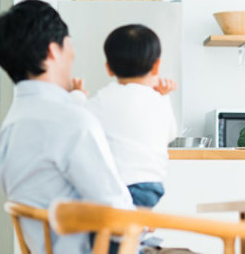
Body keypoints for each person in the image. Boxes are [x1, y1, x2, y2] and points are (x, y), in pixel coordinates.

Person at [0, 0, 133, 253]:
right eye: (69, 42)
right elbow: (119, 216)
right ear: (53, 50)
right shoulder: (72, 121)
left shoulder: (12, 125)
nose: (73, 52)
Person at [74, 24, 177, 208]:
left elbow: (78, 119)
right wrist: (164, 97)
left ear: (109, 68)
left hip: (117, 188)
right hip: (151, 188)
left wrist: (77, 95)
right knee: (127, 230)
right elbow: (171, 134)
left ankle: (132, 233)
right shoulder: (160, 99)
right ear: (156, 66)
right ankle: (137, 232)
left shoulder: (104, 99)